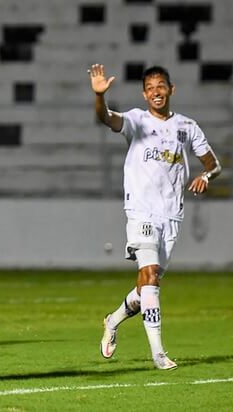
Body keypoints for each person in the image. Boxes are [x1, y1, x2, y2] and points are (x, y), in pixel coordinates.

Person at [89, 64, 221, 370]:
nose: (155, 92)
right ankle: (159, 354)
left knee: (146, 287)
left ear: (171, 90)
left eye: (160, 86)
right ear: (144, 94)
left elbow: (214, 165)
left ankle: (112, 319)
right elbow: (107, 117)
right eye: (149, 87)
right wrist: (99, 97)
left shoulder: (187, 126)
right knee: (149, 277)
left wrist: (207, 176)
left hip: (171, 216)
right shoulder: (137, 120)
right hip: (140, 211)